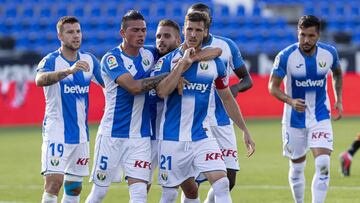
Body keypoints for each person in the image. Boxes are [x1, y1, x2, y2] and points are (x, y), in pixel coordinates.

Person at [154, 11, 255, 203]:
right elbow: (161, 91)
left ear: (205, 32)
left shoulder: (214, 63)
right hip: (172, 138)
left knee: (223, 183)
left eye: (198, 30)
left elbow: (226, 98)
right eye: (189, 29)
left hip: (201, 135)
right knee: (170, 194)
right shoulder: (167, 61)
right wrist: (182, 65)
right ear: (183, 30)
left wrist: (244, 130)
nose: (193, 34)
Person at [84, 10, 176, 203]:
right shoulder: (112, 58)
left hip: (140, 137)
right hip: (112, 135)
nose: (141, 34)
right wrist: (171, 76)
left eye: (143, 30)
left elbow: (173, 50)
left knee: (139, 194)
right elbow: (134, 87)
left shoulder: (150, 53)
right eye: (135, 30)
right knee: (99, 193)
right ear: (123, 33)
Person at [268, 15, 343, 203]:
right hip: (294, 119)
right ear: (297, 33)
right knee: (297, 167)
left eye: (311, 36)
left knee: (323, 163)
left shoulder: (329, 53)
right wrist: (290, 101)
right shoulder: (286, 56)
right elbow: (272, 87)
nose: (306, 40)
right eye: (302, 35)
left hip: (320, 115)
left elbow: (337, 73)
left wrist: (338, 99)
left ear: (318, 35)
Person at [184, 3, 254, 203]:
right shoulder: (182, 51)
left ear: (208, 24)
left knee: (229, 178)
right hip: (194, 123)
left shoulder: (226, 46)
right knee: (191, 182)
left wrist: (235, 88)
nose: (196, 28)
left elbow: (247, 79)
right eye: (192, 21)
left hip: (222, 120)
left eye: (202, 21)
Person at [35, 16, 104, 203]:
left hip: (81, 134)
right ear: (60, 35)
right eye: (70, 32)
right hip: (56, 132)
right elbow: (39, 80)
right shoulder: (51, 60)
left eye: (78, 31)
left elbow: (110, 84)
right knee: (53, 184)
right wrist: (68, 71)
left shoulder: (89, 60)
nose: (76, 36)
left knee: (74, 188)